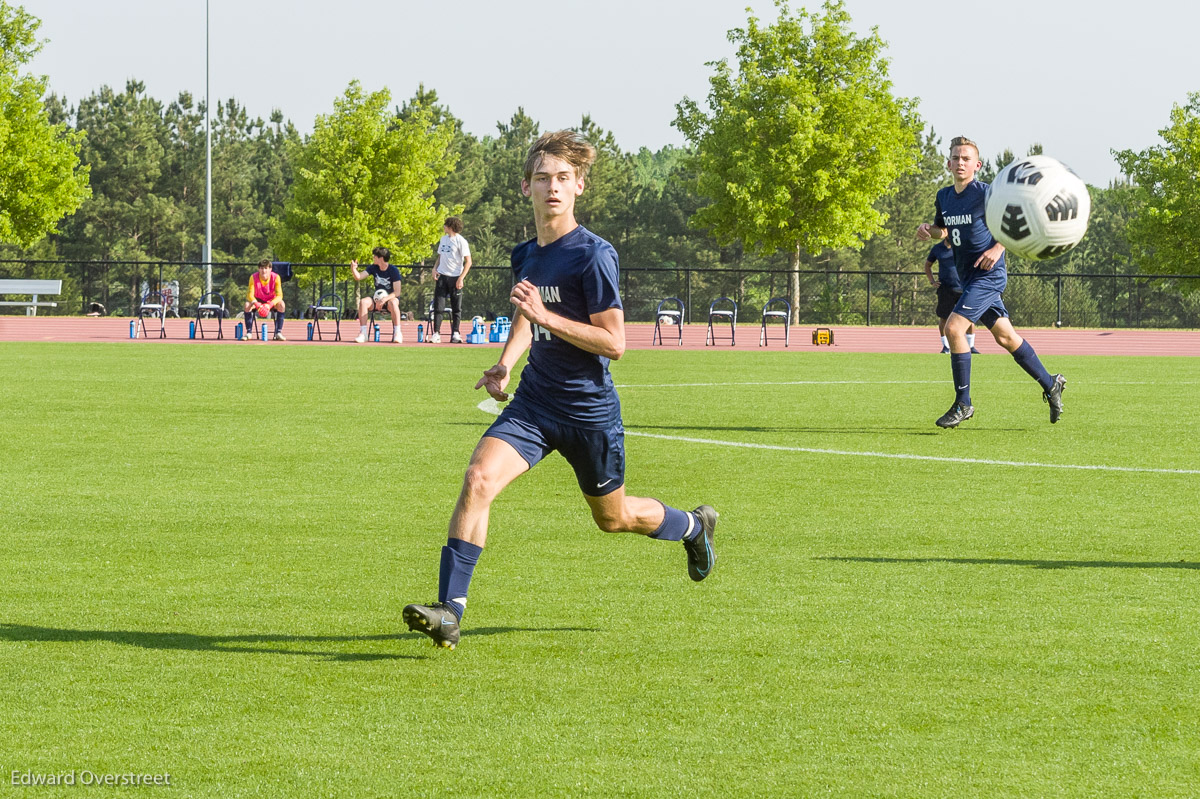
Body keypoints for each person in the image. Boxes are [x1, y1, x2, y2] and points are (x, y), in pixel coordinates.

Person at [402, 130, 717, 649]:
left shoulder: (593, 256)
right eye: (543, 178)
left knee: (613, 518)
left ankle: (691, 527)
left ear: (579, 187)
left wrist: (547, 314)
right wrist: (505, 363)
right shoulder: (526, 252)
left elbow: (614, 343)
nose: (553, 187)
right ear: (525, 186)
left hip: (589, 414)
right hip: (534, 403)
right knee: (478, 478)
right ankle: (449, 612)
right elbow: (528, 315)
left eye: (563, 179)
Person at [917, 136, 1066, 428]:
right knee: (1006, 338)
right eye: (956, 158)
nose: (960, 162)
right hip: (968, 276)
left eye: (966, 158)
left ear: (977, 165)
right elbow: (943, 232)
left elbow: (1017, 222)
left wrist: (998, 248)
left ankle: (963, 404)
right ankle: (1051, 383)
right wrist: (928, 230)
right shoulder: (944, 196)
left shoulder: (988, 193)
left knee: (954, 327)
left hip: (989, 276)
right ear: (948, 163)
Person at [922, 239, 978, 354]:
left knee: (969, 317)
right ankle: (946, 347)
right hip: (945, 289)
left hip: (964, 288)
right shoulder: (937, 248)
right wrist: (932, 281)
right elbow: (928, 265)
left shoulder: (963, 245)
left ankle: (971, 346)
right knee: (944, 318)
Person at [428, 217, 472, 343]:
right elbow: (440, 256)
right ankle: (436, 333)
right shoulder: (443, 239)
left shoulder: (461, 241)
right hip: (442, 277)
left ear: (451, 227)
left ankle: (456, 333)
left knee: (456, 307)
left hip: (455, 278)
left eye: (445, 225)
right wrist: (434, 268)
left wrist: (461, 278)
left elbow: (468, 262)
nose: (444, 227)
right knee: (439, 306)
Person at [349, 246, 403, 343]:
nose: (373, 258)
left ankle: (397, 333)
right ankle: (363, 333)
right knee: (363, 302)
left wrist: (385, 299)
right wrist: (354, 269)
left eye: (375, 256)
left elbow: (397, 292)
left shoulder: (393, 270)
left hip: (389, 300)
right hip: (377, 299)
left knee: (394, 303)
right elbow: (359, 277)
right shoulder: (373, 268)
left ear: (381, 258)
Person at [243, 259, 286, 340]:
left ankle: (278, 332)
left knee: (282, 304)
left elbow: (279, 295)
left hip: (271, 301)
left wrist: (269, 305)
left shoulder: (276, 277)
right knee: (247, 305)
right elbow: (249, 294)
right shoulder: (253, 277)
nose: (264, 271)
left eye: (266, 268)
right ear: (258, 269)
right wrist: (256, 304)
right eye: (261, 268)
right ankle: (249, 332)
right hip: (258, 300)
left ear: (270, 269)